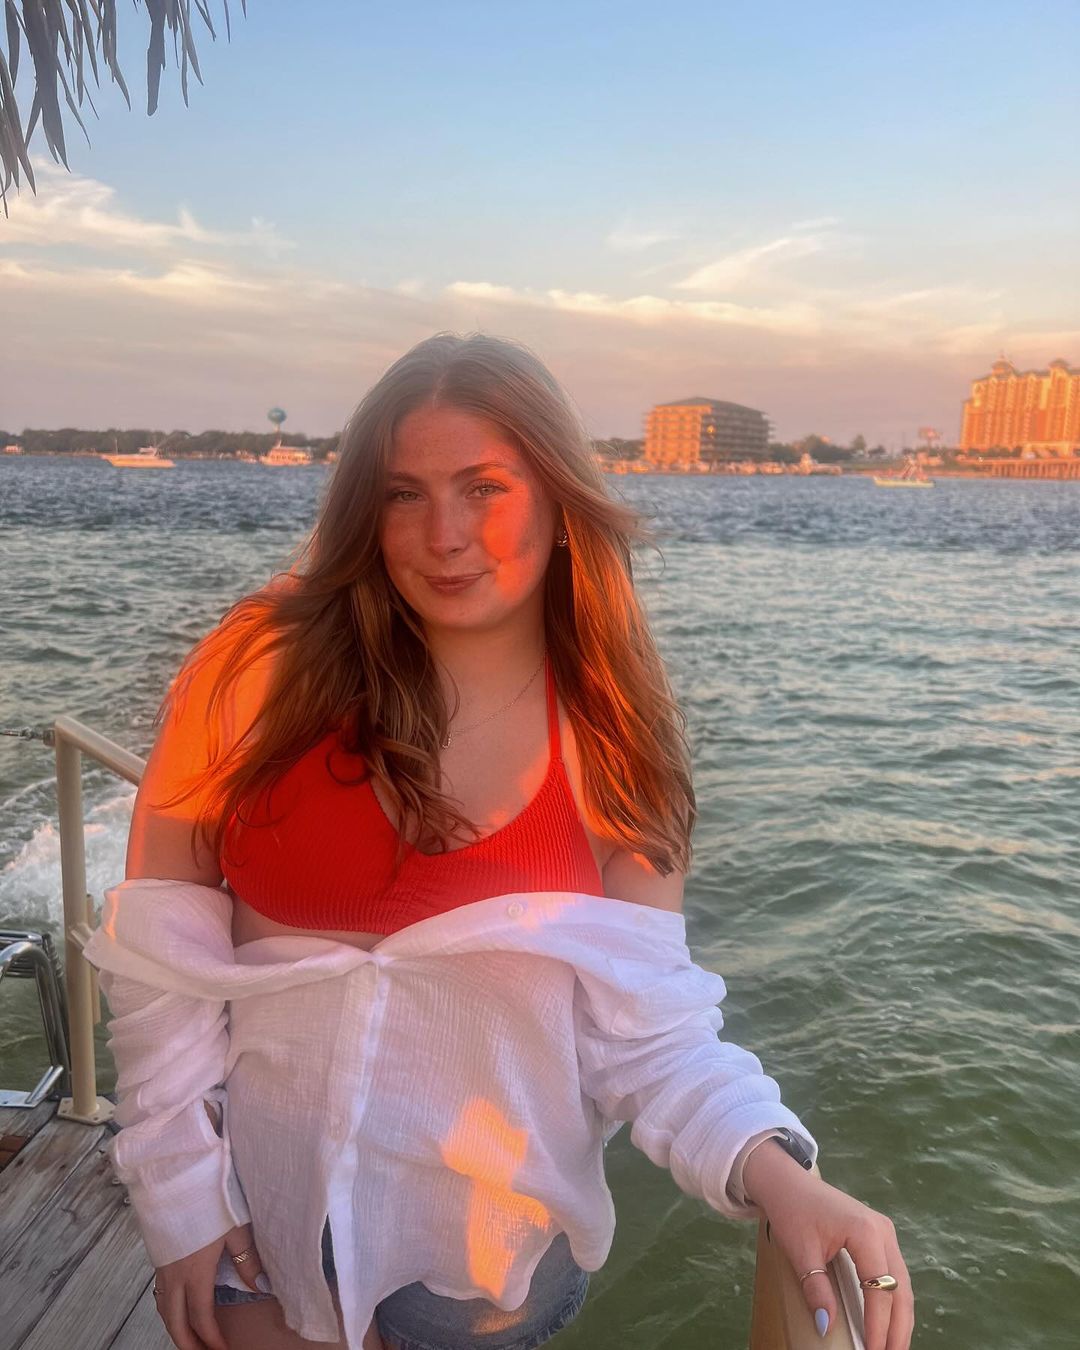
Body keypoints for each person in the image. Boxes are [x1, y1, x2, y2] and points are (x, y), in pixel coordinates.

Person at [83, 332, 913, 1350]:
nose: (444, 535)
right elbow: (158, 961)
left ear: (560, 501)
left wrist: (781, 1173)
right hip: (263, 1220)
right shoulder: (259, 667)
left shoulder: (613, 746)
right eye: (404, 494)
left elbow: (649, 1035)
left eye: (484, 487)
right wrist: (177, 1191)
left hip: (480, 1274)